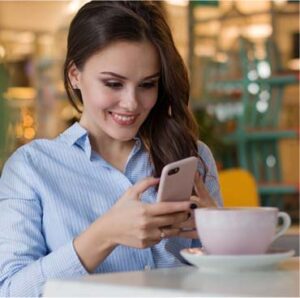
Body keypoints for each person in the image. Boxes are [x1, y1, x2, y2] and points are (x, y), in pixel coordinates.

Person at [0, 1, 222, 297]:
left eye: (147, 85)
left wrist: (219, 234)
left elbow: (228, 282)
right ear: (74, 75)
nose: (132, 103)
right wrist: (103, 235)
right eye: (113, 84)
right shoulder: (31, 168)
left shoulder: (190, 155)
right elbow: (11, 290)